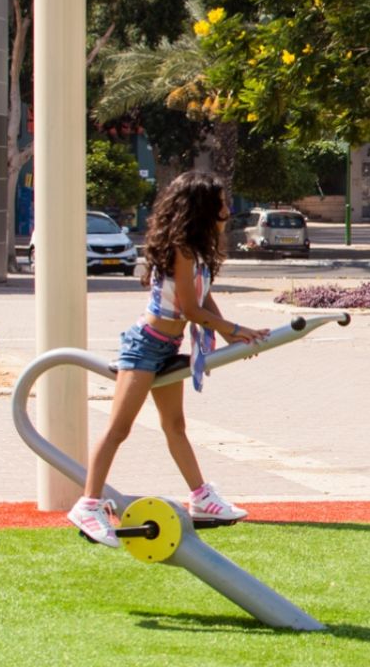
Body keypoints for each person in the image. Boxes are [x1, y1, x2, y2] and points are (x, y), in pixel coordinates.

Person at [67, 171, 268, 547]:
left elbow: (203, 298)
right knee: (119, 429)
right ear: (202, 206)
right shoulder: (182, 249)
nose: (227, 207)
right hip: (145, 345)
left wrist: (229, 333)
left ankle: (201, 497)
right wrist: (235, 326)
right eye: (221, 201)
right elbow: (191, 309)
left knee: (175, 426)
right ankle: (88, 504)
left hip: (168, 348)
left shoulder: (200, 248)